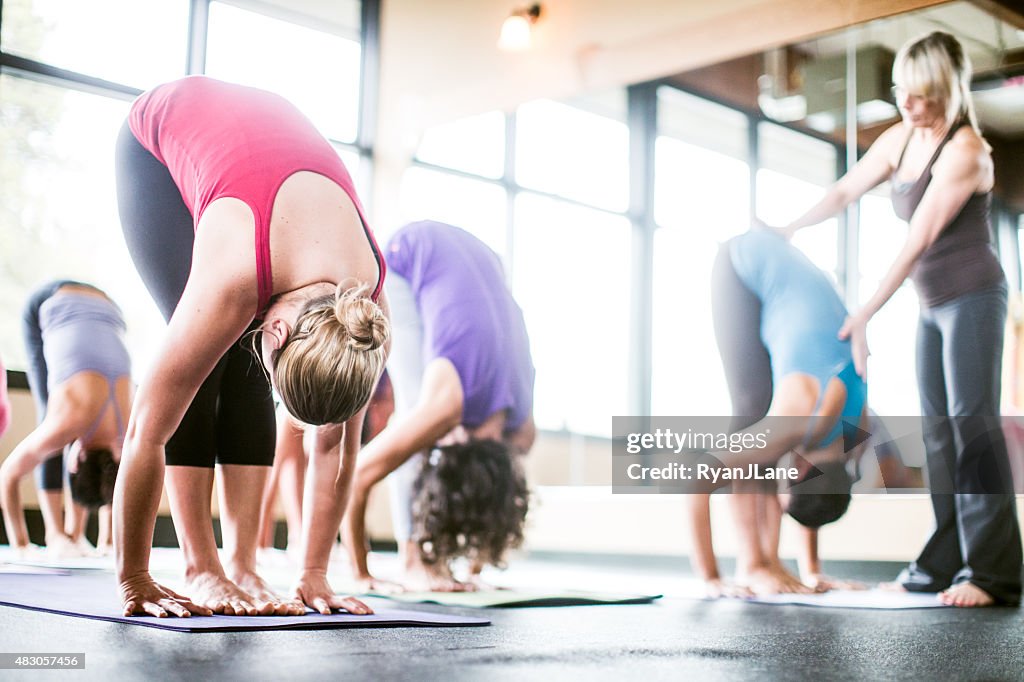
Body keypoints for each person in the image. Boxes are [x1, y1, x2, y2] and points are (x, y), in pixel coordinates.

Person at [113, 75, 389, 618]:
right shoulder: (238, 272)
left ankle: (242, 563)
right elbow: (147, 428)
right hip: (162, 147)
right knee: (207, 364)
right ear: (280, 333)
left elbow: (335, 447)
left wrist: (313, 573)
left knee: (240, 357)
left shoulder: (365, 315)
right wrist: (135, 579)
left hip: (264, 146)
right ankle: (202, 567)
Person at [773, 31, 1021, 607]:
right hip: (933, 307)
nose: (907, 105)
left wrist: (865, 312)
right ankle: (943, 561)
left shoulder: (967, 152)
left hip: (975, 297)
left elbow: (917, 242)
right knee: (936, 430)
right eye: (900, 93)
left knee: (971, 424)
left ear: (947, 90)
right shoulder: (901, 138)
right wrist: (790, 227)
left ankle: (993, 572)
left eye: (920, 95)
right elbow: (843, 191)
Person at [342, 221, 534, 592]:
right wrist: (360, 573)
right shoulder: (446, 406)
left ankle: (429, 559)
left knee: (425, 426)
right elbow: (357, 477)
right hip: (408, 258)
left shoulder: (522, 430)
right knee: (416, 421)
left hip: (479, 258)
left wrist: (477, 569)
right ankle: (414, 560)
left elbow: (500, 490)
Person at [688, 230, 868, 597]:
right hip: (743, 264)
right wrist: (711, 578)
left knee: (766, 450)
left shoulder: (855, 438)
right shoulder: (796, 421)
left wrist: (812, 571)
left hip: (790, 273)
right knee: (752, 413)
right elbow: (697, 480)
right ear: (799, 470)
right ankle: (753, 564)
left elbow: (820, 485)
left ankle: (768, 562)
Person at [1, 281, 128, 559]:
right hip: (51, 300)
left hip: (108, 307)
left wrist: (109, 543)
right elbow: (7, 475)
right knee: (48, 417)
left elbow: (113, 481)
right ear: (76, 460)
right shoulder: (67, 424)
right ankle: (59, 535)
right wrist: (20, 546)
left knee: (53, 429)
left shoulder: (126, 436)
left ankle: (70, 535)